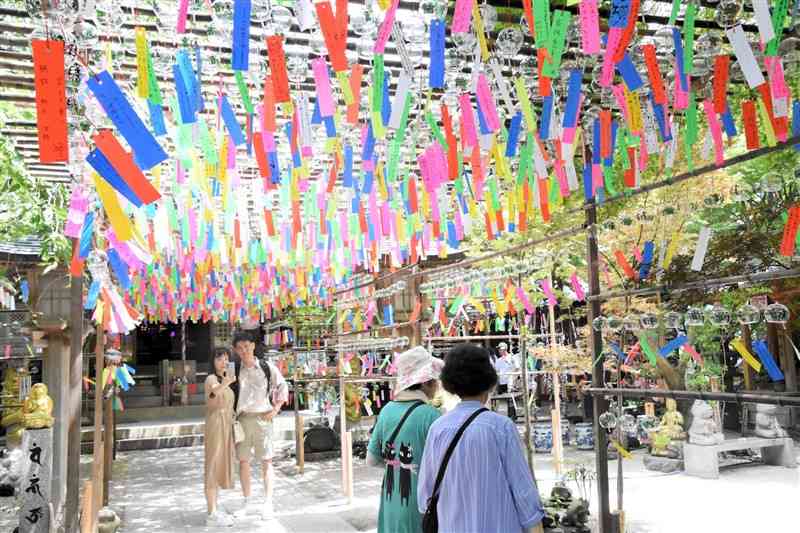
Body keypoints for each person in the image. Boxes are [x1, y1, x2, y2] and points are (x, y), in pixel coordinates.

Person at [418, 343, 544, 533]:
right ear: (488, 382)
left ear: (451, 385)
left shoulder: (438, 429)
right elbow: (523, 491)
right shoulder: (501, 427)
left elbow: (425, 495)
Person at [367, 347, 442, 533]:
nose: (437, 385)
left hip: (390, 504)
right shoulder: (432, 416)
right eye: (435, 381)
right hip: (421, 509)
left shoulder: (386, 410)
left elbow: (372, 460)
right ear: (426, 382)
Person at [231, 331, 289, 520]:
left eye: (246, 346)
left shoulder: (266, 367)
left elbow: (283, 386)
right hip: (242, 420)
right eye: (239, 348)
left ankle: (268, 503)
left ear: (253, 346)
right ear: (235, 350)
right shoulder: (235, 369)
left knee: (266, 461)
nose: (244, 351)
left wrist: (276, 409)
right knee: (243, 462)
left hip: (263, 419)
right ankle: (247, 502)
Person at [204, 347, 236, 527]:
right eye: (219, 359)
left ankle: (215, 508)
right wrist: (227, 382)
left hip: (227, 425)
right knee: (213, 465)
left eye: (226, 359)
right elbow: (214, 392)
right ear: (213, 361)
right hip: (216, 424)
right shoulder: (211, 379)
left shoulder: (226, 380)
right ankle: (211, 512)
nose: (223, 362)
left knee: (221, 464)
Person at [493, 342, 518, 420]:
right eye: (498, 350)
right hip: (502, 382)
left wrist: (513, 378)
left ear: (504, 349)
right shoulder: (498, 360)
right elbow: (496, 371)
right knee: (503, 400)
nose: (499, 351)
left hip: (510, 382)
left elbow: (517, 368)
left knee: (511, 399)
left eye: (500, 349)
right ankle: (507, 416)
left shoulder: (512, 358)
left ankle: (512, 416)